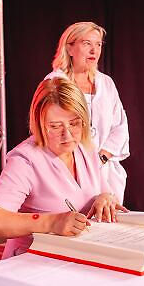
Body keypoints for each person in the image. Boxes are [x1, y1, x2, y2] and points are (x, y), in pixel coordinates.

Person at [0, 77, 125, 258]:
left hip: (78, 256)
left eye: (74, 123)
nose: (68, 135)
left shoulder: (84, 147)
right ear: (39, 124)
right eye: (56, 126)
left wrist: (105, 198)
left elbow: (104, 191)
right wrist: (51, 222)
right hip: (33, 262)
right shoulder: (25, 160)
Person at [45, 21, 129, 203]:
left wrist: (101, 158)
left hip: (106, 173)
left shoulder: (106, 83)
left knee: (108, 218)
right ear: (69, 48)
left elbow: (120, 126)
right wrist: (81, 164)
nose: (94, 50)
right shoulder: (55, 83)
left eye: (98, 44)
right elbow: (48, 129)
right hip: (69, 172)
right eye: (87, 43)